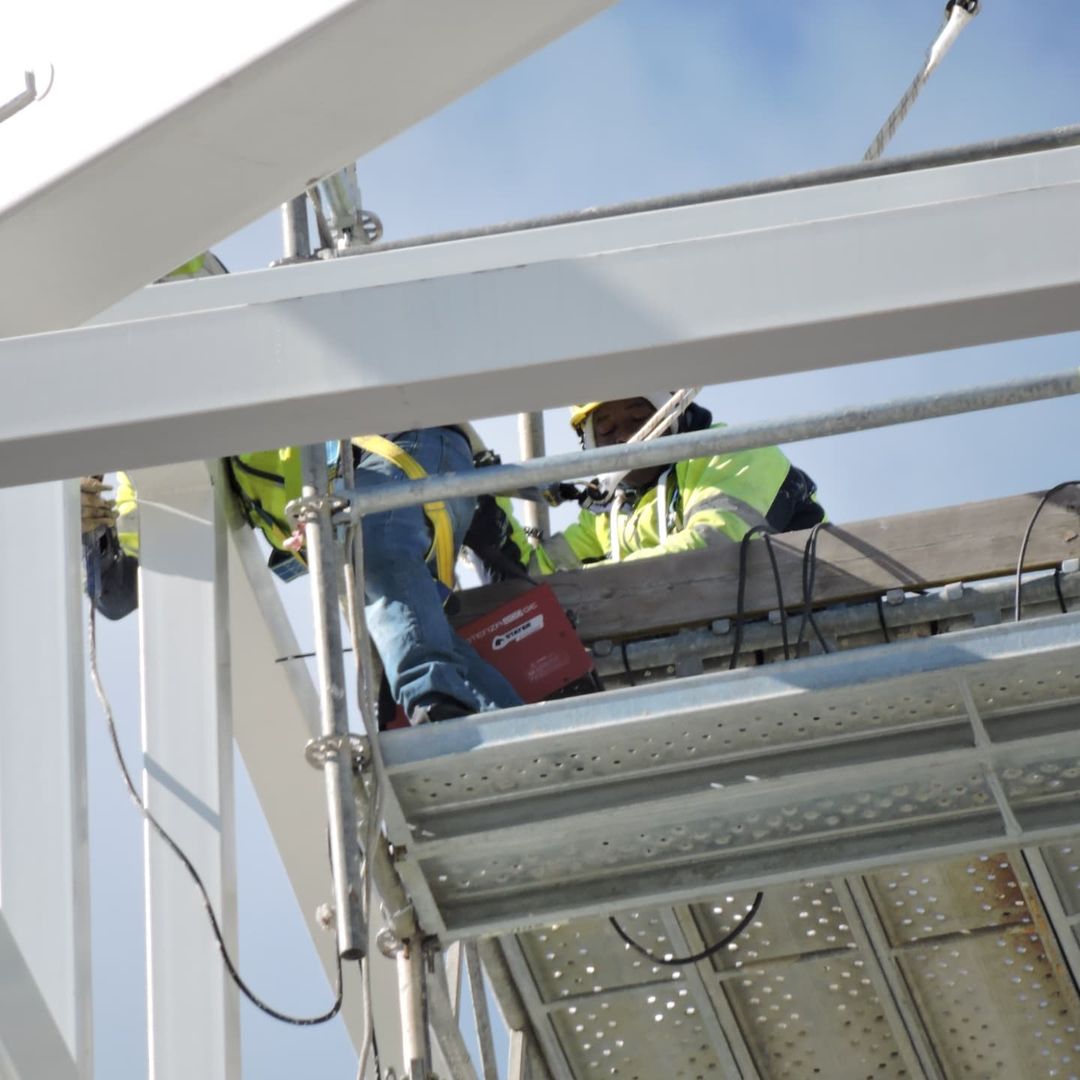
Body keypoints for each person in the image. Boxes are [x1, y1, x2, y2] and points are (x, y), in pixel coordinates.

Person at [82, 256, 521, 725]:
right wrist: (94, 532)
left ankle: (433, 704)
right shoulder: (160, 455)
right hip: (352, 513)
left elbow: (181, 272)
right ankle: (506, 722)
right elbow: (122, 591)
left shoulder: (239, 326)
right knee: (393, 623)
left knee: (375, 555)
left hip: (395, 449)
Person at [469, 393, 825, 576]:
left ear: (672, 410)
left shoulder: (730, 451)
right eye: (606, 429)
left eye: (640, 417)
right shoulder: (608, 516)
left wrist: (593, 581)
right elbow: (535, 575)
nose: (626, 435)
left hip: (798, 622)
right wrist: (484, 502)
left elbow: (713, 548)